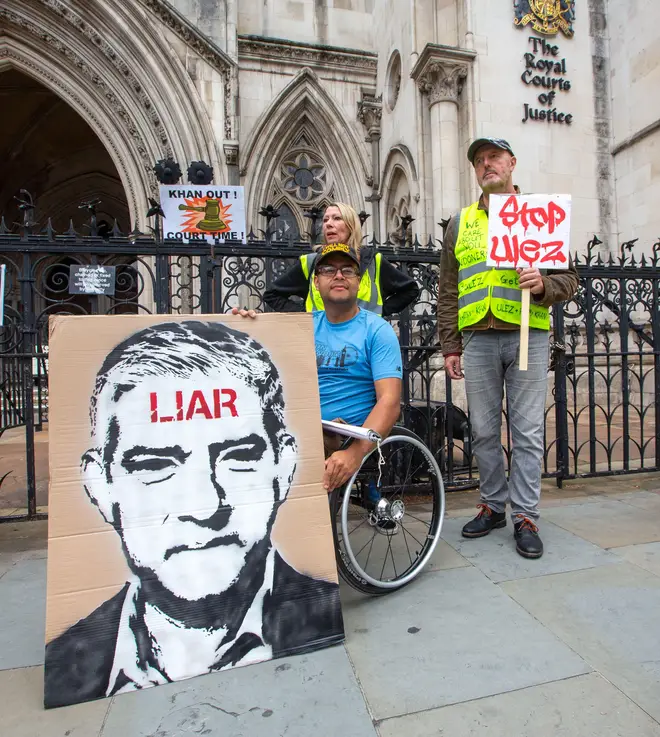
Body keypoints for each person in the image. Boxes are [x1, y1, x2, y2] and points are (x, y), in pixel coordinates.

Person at [44, 321, 344, 709]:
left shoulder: (322, 614)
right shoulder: (66, 664)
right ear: (100, 487)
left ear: (284, 468)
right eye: (155, 465)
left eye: (237, 457)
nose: (205, 507)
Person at [437, 137, 578, 559]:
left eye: (494, 157)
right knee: (482, 429)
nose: (486, 165)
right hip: (478, 337)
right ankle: (493, 505)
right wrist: (451, 344)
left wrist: (543, 286)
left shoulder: (540, 215)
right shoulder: (460, 223)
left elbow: (568, 280)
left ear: (512, 162)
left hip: (527, 336)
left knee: (528, 432)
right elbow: (447, 289)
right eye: (479, 161)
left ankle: (526, 516)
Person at [237, 241, 402, 493]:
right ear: (316, 282)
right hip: (297, 429)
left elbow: (389, 403)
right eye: (328, 270)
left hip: (341, 433)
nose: (338, 276)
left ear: (359, 282)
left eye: (347, 270)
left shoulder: (377, 330)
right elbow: (256, 362)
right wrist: (242, 326)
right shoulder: (302, 328)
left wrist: (355, 452)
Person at [263, 202, 419, 316]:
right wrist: (305, 315)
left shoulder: (374, 262)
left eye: (337, 218)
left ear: (351, 225)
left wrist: (379, 311)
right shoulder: (309, 262)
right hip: (322, 344)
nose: (328, 224)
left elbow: (410, 290)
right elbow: (272, 294)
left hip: (364, 342)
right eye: (325, 220)